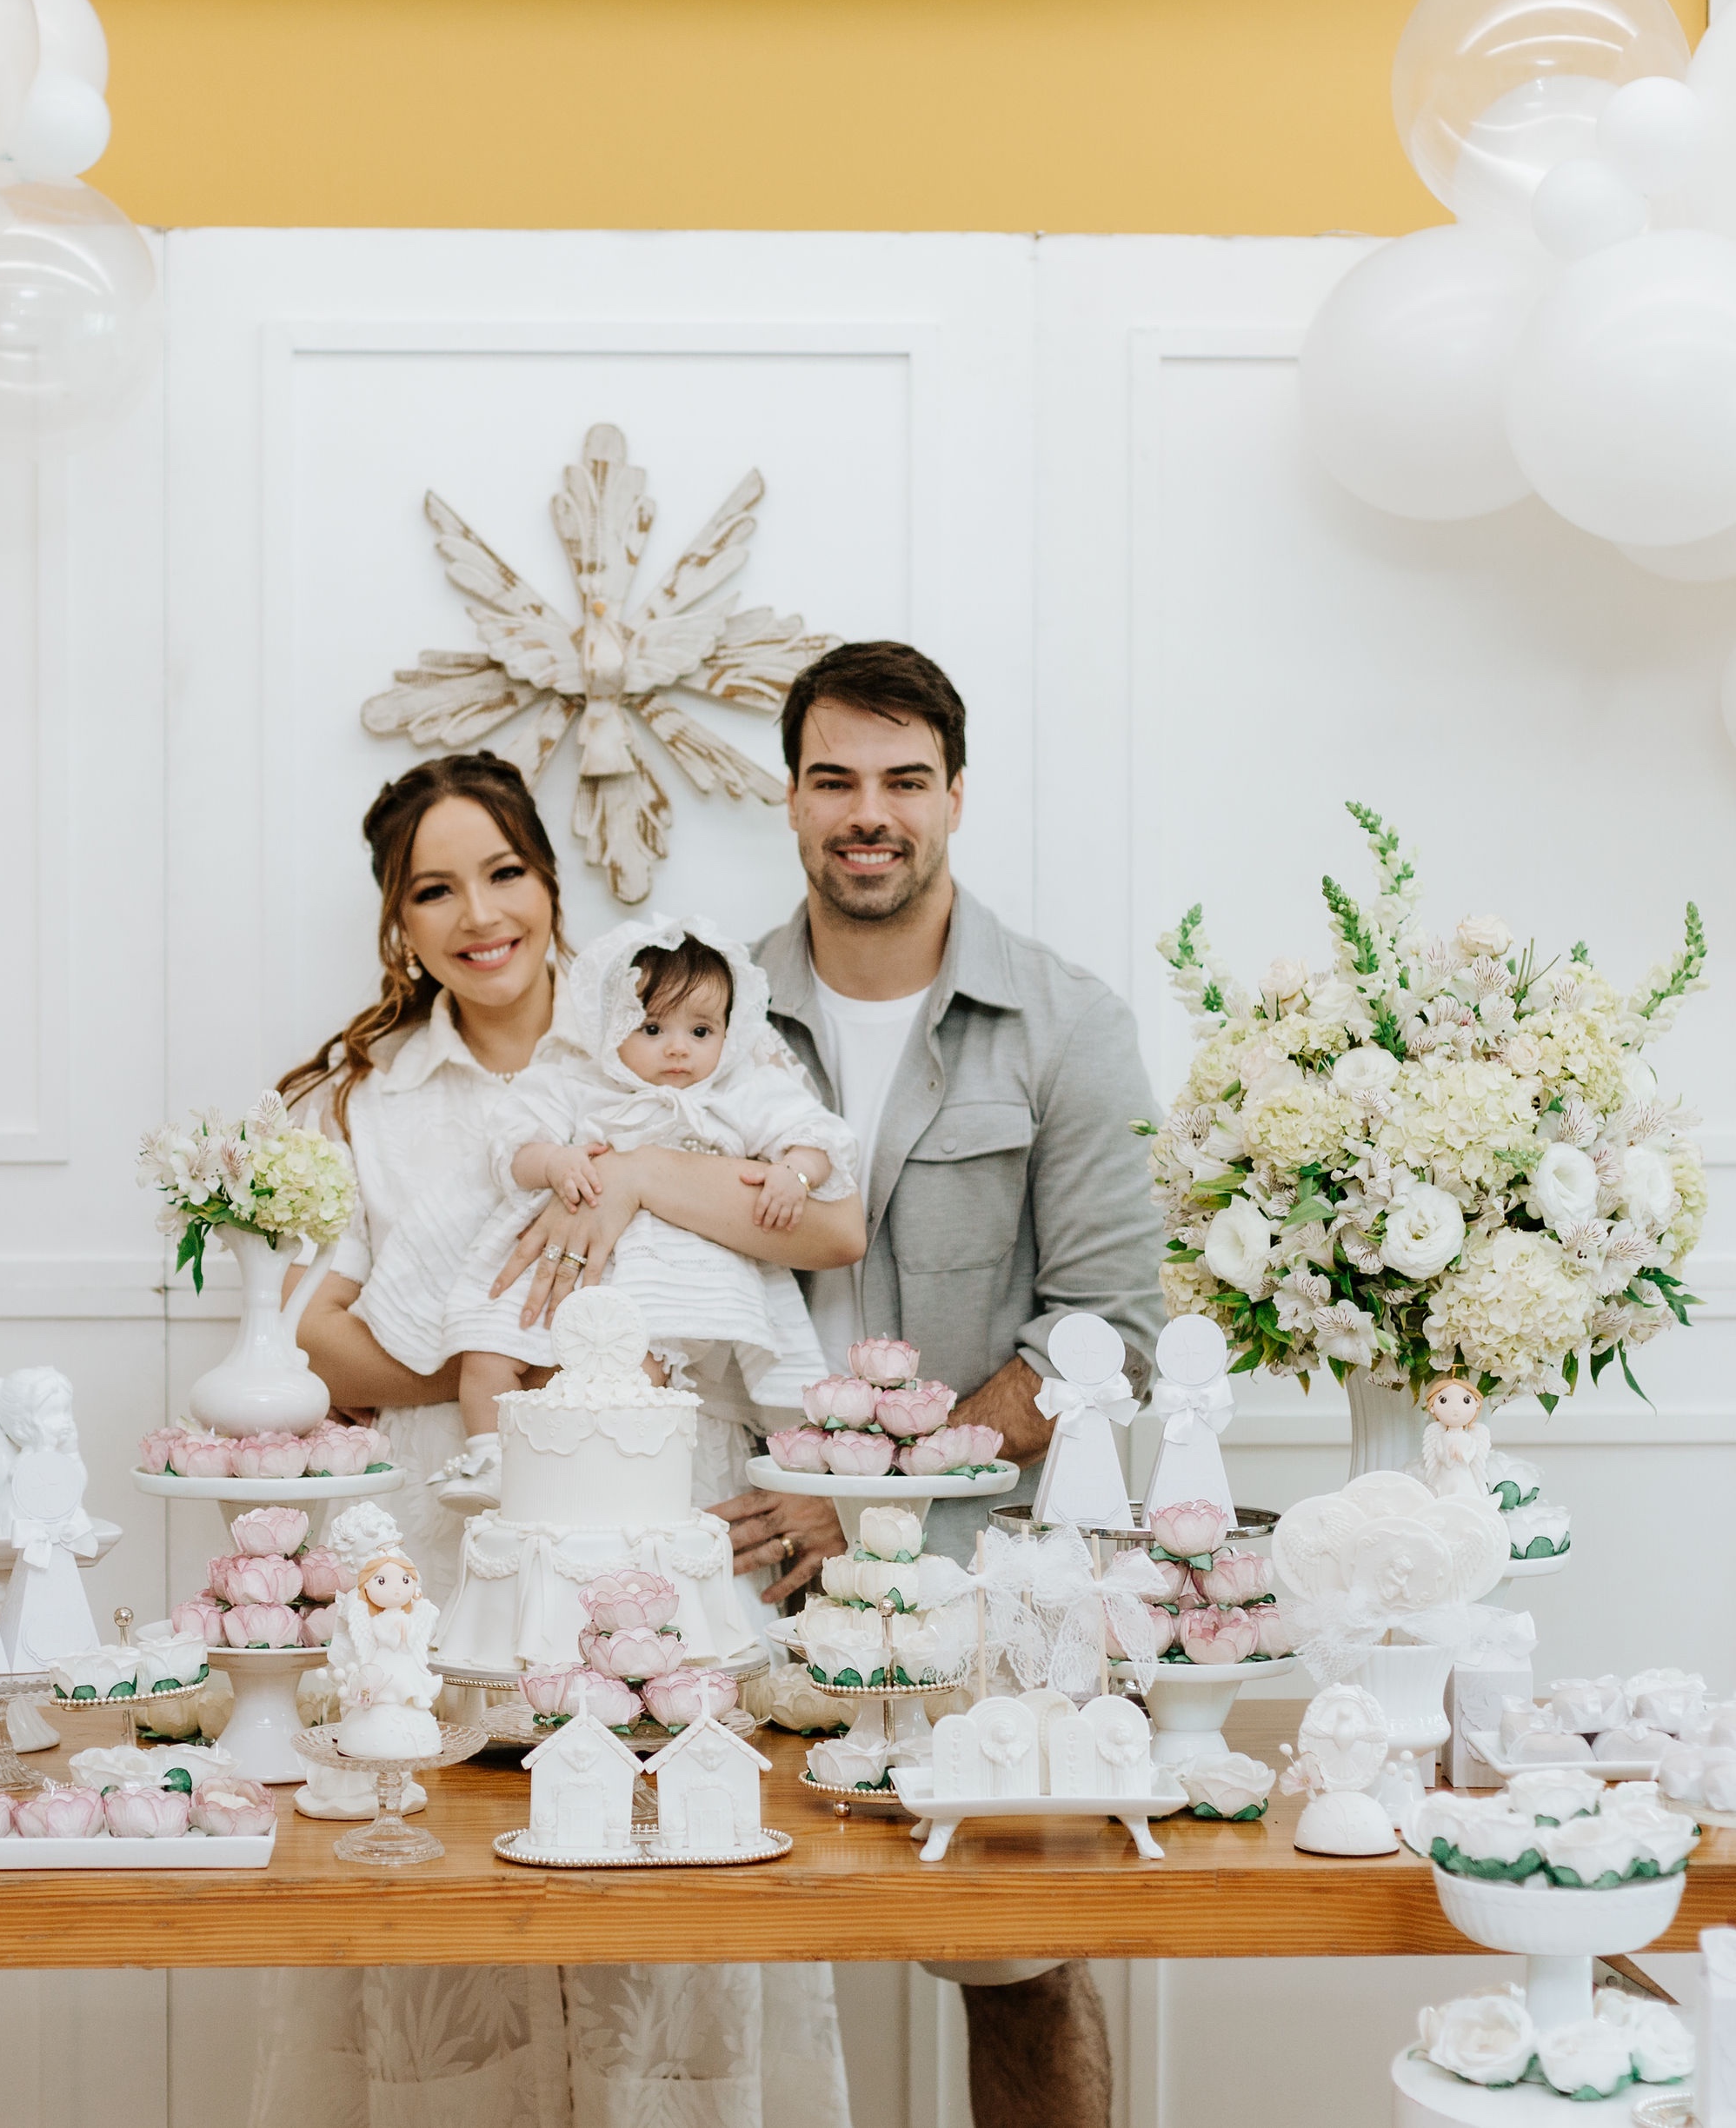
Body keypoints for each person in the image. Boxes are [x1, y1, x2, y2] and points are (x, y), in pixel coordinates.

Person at [503, 641, 1167, 2128]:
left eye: (904, 780)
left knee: (1018, 1961)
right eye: (835, 779)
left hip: (983, 1582)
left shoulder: (1066, 1026)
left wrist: (863, 1485)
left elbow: (1108, 1332)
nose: (870, 812)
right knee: (688, 1978)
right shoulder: (686, 1016)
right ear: (792, 799)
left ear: (955, 797)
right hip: (719, 1569)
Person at [252, 750, 861, 2128]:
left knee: (673, 1907)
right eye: (436, 890)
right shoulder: (371, 1099)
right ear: (398, 925)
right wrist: (515, 1362)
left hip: (667, 1526)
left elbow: (827, 1220)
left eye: (506, 872)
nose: (481, 914)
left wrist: (644, 1177)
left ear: (549, 876)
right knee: (452, 1934)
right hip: (450, 1539)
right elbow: (313, 1337)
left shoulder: (675, 1018)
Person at [402, 913, 856, 1505]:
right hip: (560, 1259)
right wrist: (554, 1163)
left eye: (701, 1031)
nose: (678, 1049)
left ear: (730, 1031)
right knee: (487, 1351)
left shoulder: (736, 1092)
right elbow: (511, 1146)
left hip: (665, 1274)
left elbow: (818, 1135)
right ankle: (489, 1461)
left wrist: (795, 1172)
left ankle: (608, 1482)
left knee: (635, 1377)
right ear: (610, 1027)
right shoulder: (579, 1081)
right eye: (651, 1028)